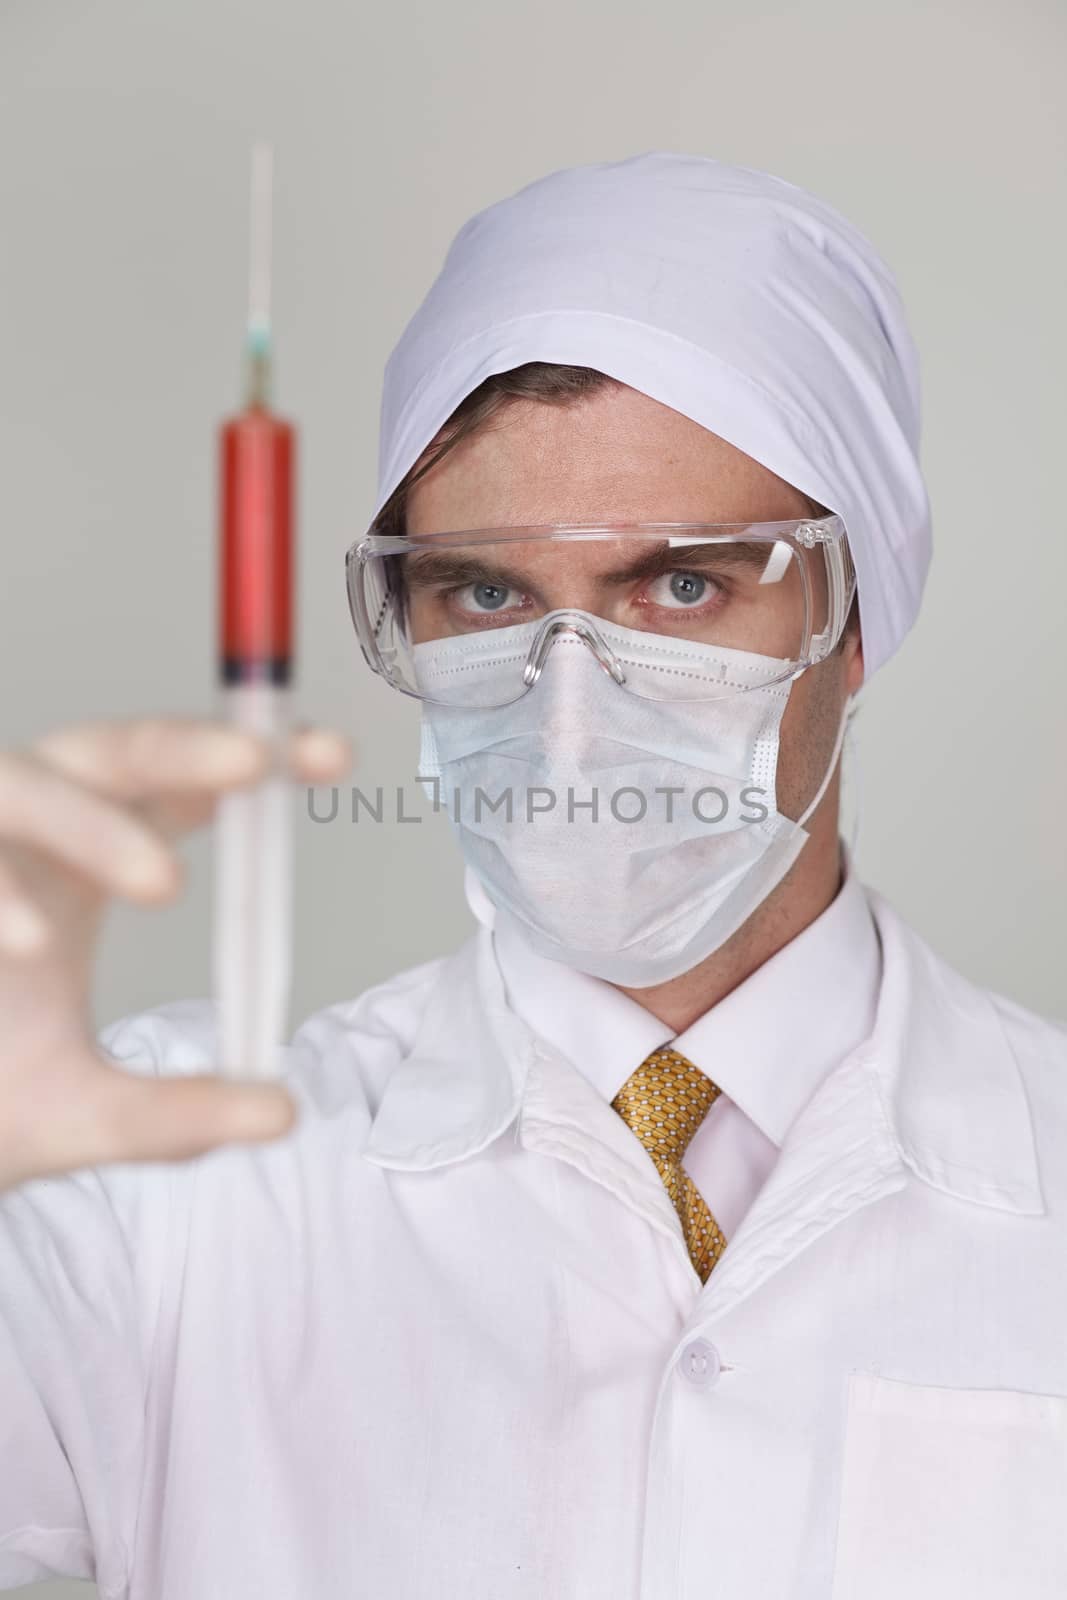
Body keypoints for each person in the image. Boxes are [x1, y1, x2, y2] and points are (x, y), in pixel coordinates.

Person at [1, 152, 1064, 1600]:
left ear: (854, 617)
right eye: (487, 596)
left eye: (683, 584)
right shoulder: (144, 1193)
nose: (572, 720)